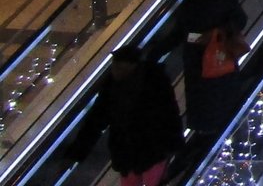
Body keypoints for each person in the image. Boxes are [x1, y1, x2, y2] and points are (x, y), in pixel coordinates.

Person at [62, 46, 183, 186]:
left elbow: (169, 113)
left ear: (133, 66)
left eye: (119, 66)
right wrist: (75, 153)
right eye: (114, 65)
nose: (114, 70)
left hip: (151, 149)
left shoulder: (154, 81)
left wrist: (173, 143)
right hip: (128, 152)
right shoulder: (112, 86)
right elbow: (95, 120)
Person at [168, 0, 247, 137]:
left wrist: (216, 32)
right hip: (197, 62)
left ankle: (222, 137)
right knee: (203, 106)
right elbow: (179, 31)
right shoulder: (189, 2)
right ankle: (207, 138)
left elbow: (240, 20)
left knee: (219, 104)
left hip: (217, 60)